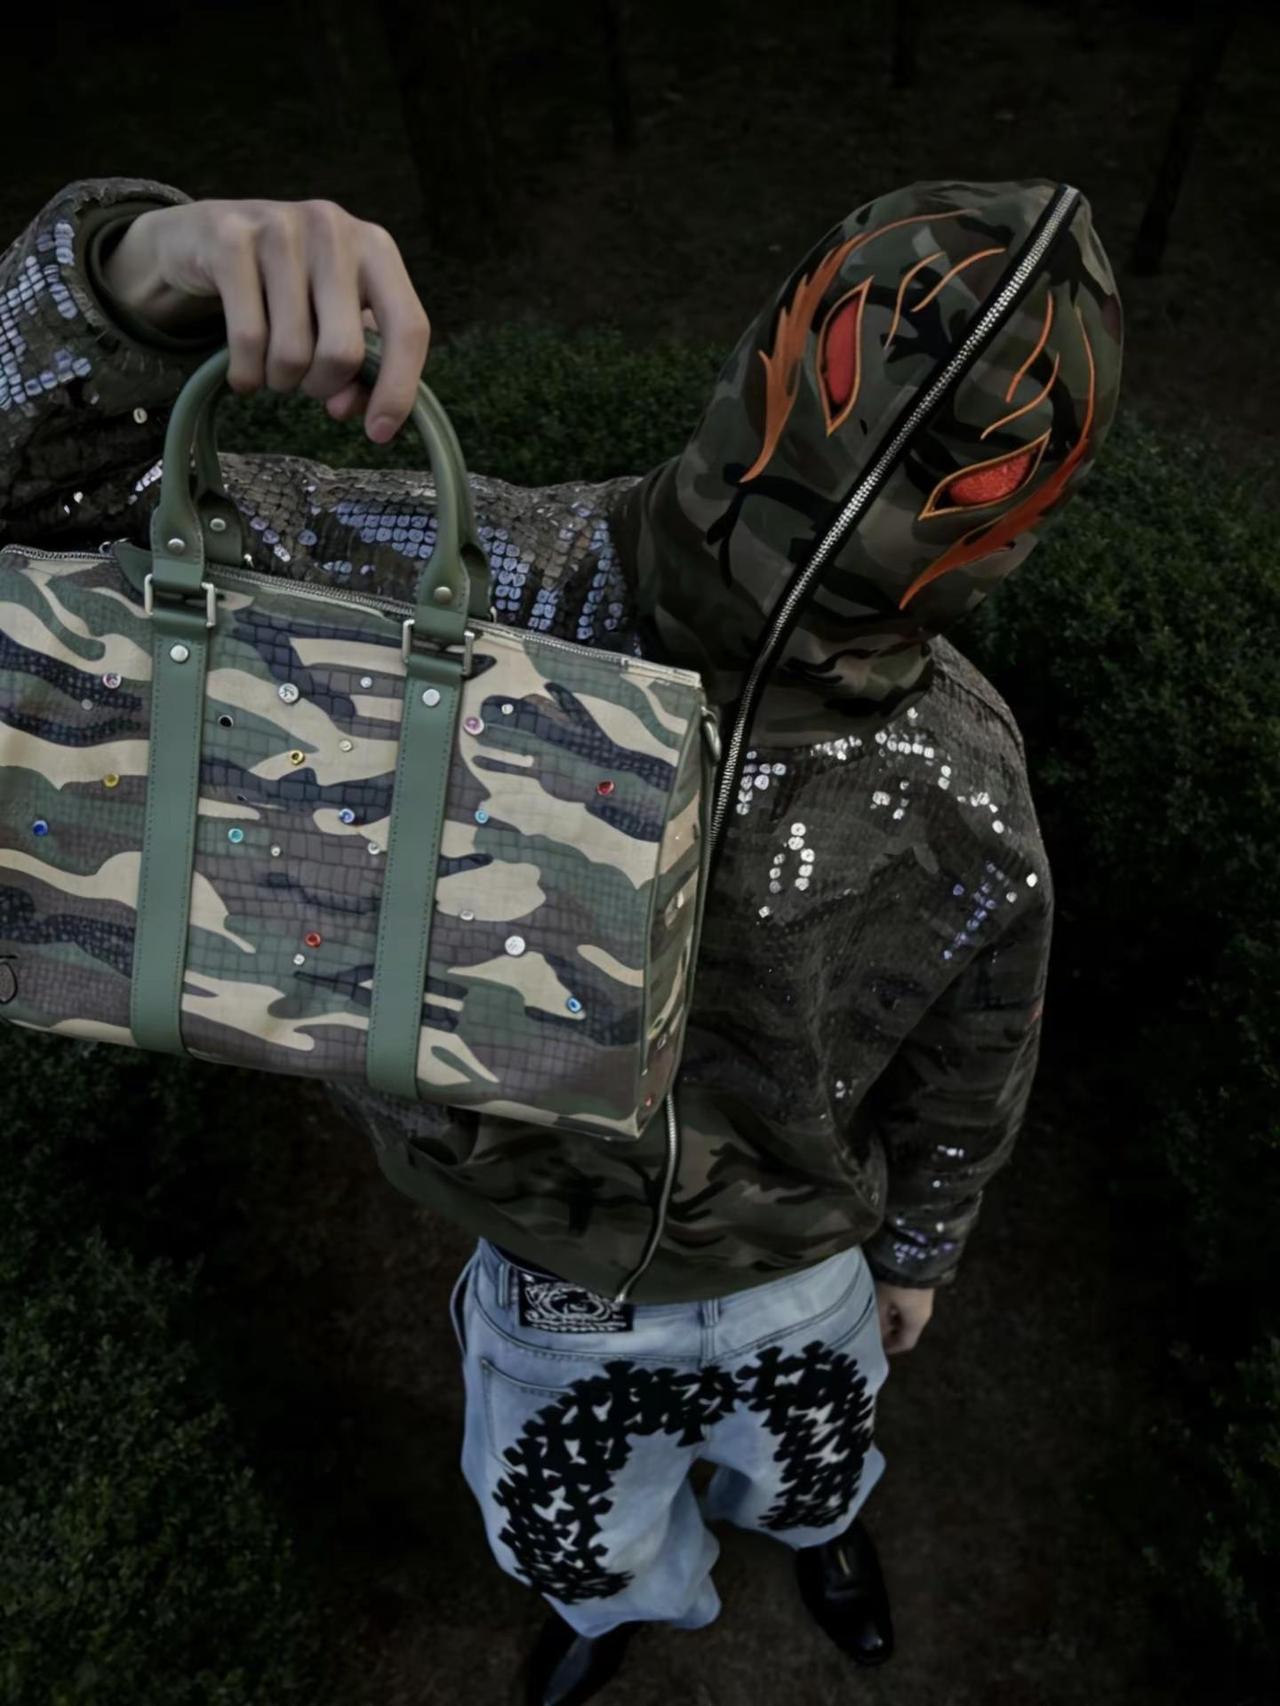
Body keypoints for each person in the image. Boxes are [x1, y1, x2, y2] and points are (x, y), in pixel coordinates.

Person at [0, 173, 1122, 1704]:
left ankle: (818, 1530)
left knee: (811, 1455)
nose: (874, 491)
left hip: (804, 1266)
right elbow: (48, 513)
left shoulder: (965, 778)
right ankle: (617, 1599)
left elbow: (982, 1041)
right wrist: (128, 276)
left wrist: (920, 1242)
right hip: (548, 1283)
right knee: (572, 1525)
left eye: (960, 472)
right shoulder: (469, 592)